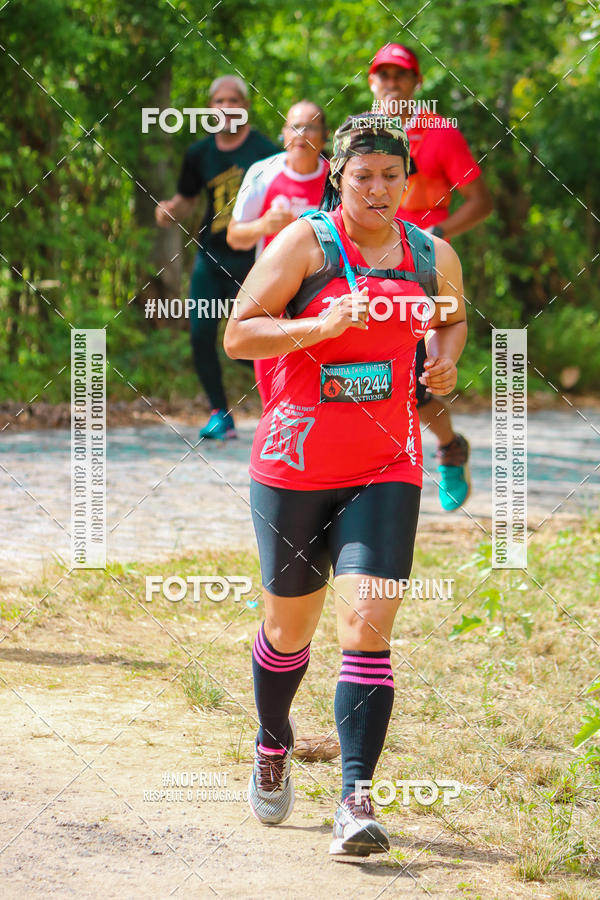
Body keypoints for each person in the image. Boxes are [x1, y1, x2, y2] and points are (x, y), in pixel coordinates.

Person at [224, 113, 467, 856]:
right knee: (288, 633)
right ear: (339, 177)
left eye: (393, 176)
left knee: (367, 627)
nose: (379, 189)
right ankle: (273, 740)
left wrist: (444, 357)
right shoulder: (306, 243)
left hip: (385, 464)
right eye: (363, 176)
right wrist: (321, 327)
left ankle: (355, 799)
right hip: (296, 466)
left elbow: (453, 316)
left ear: (409, 181)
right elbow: (239, 333)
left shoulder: (430, 253)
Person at [369, 43, 493, 510]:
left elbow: (481, 201)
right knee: (364, 367)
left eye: (401, 75)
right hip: (364, 262)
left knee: (418, 379)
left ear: (417, 83)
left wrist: (438, 229)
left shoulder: (441, 133)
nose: (391, 83)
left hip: (423, 266)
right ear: (370, 81)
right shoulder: (362, 133)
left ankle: (449, 447)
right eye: (383, 75)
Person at [155, 75, 278, 440]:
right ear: (210, 109)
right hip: (211, 256)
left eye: (234, 101)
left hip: (255, 261)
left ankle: (283, 409)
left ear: (245, 106)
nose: (226, 108)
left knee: (256, 340)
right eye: (219, 102)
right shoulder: (199, 154)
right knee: (200, 332)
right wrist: (169, 210)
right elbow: (188, 198)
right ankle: (220, 414)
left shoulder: (266, 152)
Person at [227, 100, 329, 406]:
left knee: (317, 390)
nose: (301, 134)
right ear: (284, 134)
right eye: (294, 126)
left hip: (320, 293)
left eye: (309, 127)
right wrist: (263, 224)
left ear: (323, 137)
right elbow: (234, 235)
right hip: (274, 295)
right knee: (273, 391)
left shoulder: (336, 178)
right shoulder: (262, 172)